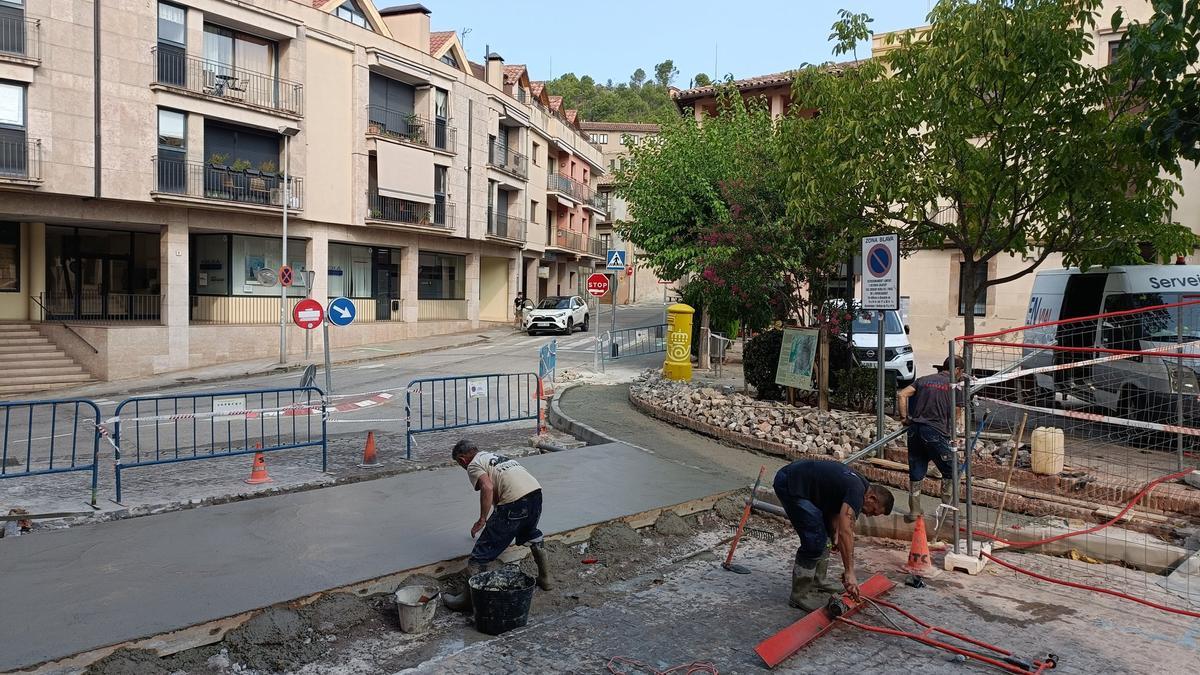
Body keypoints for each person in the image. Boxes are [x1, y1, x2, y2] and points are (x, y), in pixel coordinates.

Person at [444, 440, 552, 610]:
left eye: (459, 464)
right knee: (530, 533)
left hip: (514, 502)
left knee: (480, 554)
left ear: (462, 459)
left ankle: (466, 600)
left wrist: (482, 520)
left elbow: (487, 487)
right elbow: (499, 488)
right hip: (535, 495)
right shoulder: (492, 456)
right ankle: (546, 579)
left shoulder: (472, 464)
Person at [773, 460, 894, 611]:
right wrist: (849, 572)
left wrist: (833, 533)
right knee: (815, 539)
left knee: (826, 536)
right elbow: (846, 531)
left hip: (803, 484)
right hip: (789, 483)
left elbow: (834, 506)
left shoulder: (859, 486)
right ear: (872, 499)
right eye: (873, 511)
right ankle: (799, 595)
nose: (869, 515)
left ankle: (817, 581)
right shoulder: (857, 492)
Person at [896, 355, 965, 523]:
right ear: (957, 370)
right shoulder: (954, 386)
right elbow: (956, 412)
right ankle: (948, 511)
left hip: (915, 431)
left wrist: (905, 418)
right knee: (952, 469)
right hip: (935, 432)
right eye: (961, 372)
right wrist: (952, 433)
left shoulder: (923, 380)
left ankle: (914, 510)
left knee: (917, 471)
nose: (961, 375)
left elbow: (902, 394)